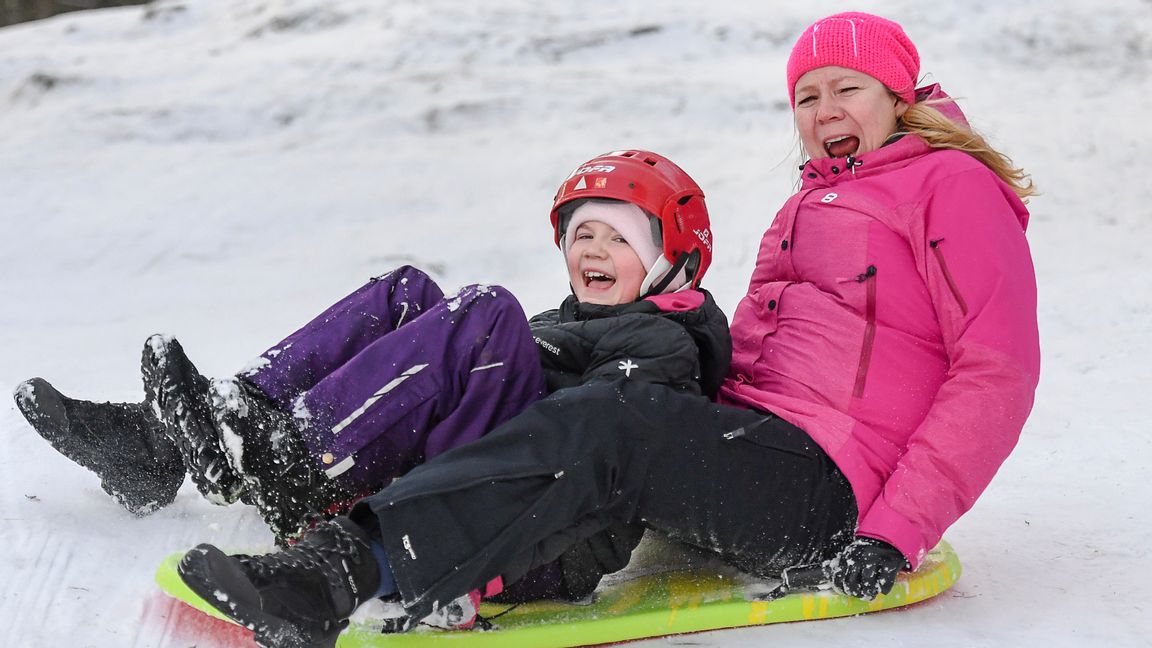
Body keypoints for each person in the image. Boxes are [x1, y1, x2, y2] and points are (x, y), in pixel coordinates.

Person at [176, 11, 1041, 648]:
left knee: (615, 417)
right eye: (807, 97)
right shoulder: (808, 202)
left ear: (897, 93)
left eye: (846, 89)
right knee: (534, 366)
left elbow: (997, 373)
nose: (824, 111)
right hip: (752, 444)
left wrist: (895, 530)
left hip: (830, 488)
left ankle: (339, 576)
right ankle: (313, 478)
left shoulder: (950, 187)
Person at [15, 149, 723, 589]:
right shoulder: (567, 323)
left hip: (520, 531)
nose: (591, 250)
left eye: (619, 237)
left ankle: (291, 456)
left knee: (485, 311)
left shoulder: (667, 348)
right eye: (582, 234)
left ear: (674, 261)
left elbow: (606, 451)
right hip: (472, 473)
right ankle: (176, 443)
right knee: (410, 291)